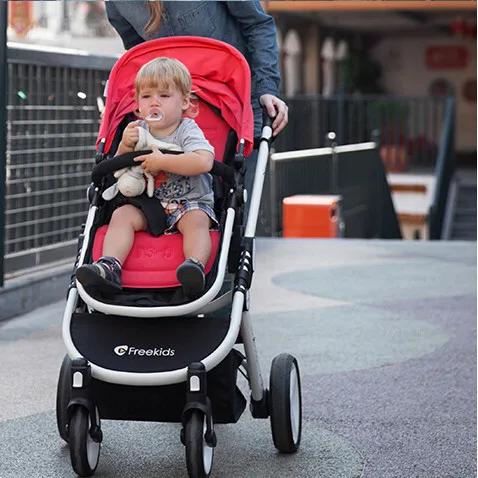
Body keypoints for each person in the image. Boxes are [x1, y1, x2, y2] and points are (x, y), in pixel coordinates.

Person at [104, 0, 288, 198]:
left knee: (238, 198)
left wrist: (267, 88)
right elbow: (139, 54)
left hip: (236, 102)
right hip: (166, 111)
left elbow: (257, 24)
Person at [76, 57, 217, 298]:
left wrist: (163, 162)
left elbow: (204, 161)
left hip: (188, 202)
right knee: (121, 215)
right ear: (137, 103)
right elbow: (117, 169)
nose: (154, 102)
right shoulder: (136, 130)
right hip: (149, 204)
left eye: (164, 95)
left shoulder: (187, 130)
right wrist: (124, 146)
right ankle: (109, 266)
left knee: (197, 221)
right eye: (147, 96)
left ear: (184, 101)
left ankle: (194, 267)